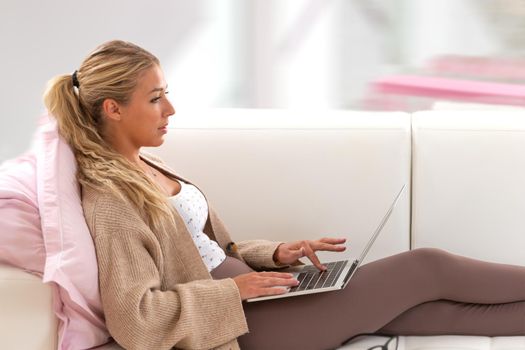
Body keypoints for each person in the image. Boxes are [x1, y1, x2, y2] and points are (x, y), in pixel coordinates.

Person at [43, 40, 525, 350]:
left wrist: (272, 254)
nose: (169, 108)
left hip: (261, 294)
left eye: (166, 92)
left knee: (424, 309)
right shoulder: (110, 200)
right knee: (427, 268)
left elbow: (209, 250)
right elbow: (137, 320)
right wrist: (234, 290)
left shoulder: (146, 163)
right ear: (113, 108)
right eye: (154, 98)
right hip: (241, 326)